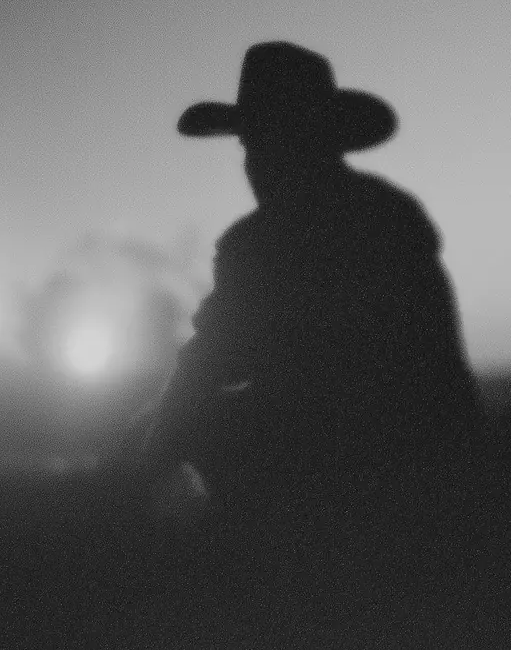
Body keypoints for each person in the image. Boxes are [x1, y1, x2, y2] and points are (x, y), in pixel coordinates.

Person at [142, 41, 480, 511]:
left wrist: (146, 456)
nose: (254, 163)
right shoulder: (391, 215)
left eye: (265, 142)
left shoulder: (257, 245)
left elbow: (208, 363)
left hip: (340, 486)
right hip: (439, 471)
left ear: (307, 142)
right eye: (250, 145)